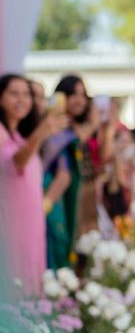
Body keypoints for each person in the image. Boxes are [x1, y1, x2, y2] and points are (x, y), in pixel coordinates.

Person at [0, 73, 65, 298]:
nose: (22, 99)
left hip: (31, 223)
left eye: (26, 94)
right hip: (10, 225)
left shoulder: (18, 135)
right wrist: (41, 132)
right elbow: (16, 161)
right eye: (14, 94)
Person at [40, 75, 95, 269]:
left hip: (80, 197)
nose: (79, 100)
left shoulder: (79, 128)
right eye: (73, 94)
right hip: (54, 197)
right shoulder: (54, 124)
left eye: (83, 95)